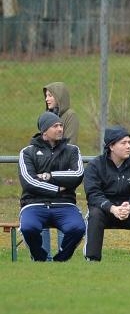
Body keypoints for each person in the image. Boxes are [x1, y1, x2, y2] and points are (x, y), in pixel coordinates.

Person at [17, 112, 86, 261]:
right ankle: (40, 257)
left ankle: (61, 259)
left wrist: (48, 176)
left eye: (61, 125)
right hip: (34, 204)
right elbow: (29, 182)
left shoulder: (72, 150)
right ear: (44, 131)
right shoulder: (27, 152)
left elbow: (78, 175)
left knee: (78, 228)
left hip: (65, 204)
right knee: (28, 228)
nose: (60, 129)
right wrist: (57, 188)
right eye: (55, 126)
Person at [83, 126, 130, 262]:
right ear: (111, 146)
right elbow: (93, 194)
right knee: (94, 214)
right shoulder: (95, 165)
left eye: (129, 142)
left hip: (128, 209)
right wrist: (112, 208)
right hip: (105, 209)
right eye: (123, 143)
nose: (128, 146)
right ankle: (92, 259)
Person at [41, 82, 80, 259]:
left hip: (63, 172)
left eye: (50, 95)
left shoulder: (70, 116)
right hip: (45, 172)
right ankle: (44, 256)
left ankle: (63, 256)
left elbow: (69, 145)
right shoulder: (47, 116)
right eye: (46, 95)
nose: (47, 98)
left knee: (64, 209)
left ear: (59, 96)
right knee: (41, 208)